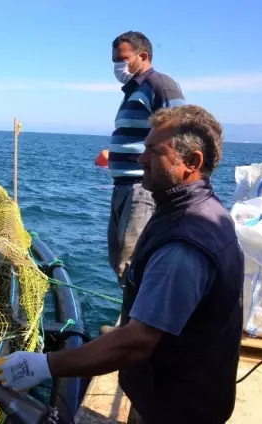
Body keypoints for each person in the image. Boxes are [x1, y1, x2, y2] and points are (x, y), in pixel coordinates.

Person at [0, 105, 244, 424]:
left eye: (154, 151)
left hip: (177, 410)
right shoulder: (200, 211)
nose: (141, 160)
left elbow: (137, 343)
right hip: (180, 396)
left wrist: (43, 366)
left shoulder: (185, 243)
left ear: (191, 162)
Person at [103, 31, 186, 334]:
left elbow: (178, 133)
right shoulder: (131, 91)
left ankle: (136, 334)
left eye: (122, 59)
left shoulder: (159, 85)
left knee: (133, 263)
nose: (117, 66)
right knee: (119, 259)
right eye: (114, 61)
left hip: (141, 189)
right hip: (122, 187)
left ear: (143, 57)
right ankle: (129, 326)